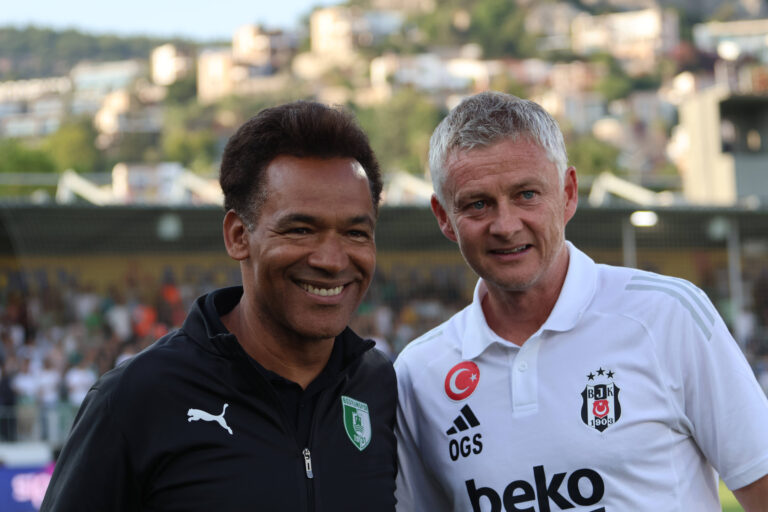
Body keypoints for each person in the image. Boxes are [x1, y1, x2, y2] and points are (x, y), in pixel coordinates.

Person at [394, 91, 768, 511]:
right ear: (444, 216)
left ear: (568, 193)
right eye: (477, 204)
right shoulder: (418, 374)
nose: (505, 225)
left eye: (526, 195)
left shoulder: (668, 316)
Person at [41, 101, 397, 511]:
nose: (332, 260)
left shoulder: (379, 385)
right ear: (237, 236)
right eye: (300, 229)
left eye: (355, 233)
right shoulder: (135, 400)